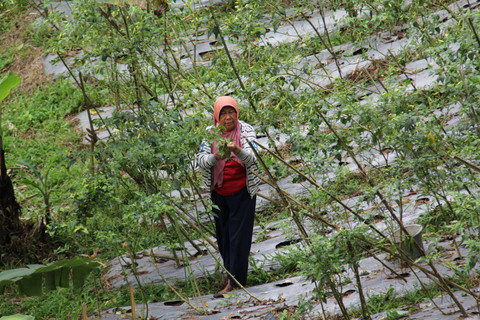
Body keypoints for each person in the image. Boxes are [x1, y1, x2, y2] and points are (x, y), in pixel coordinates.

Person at [197, 96, 260, 294]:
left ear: (237, 113)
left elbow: (254, 158)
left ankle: (235, 283)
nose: (227, 117)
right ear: (216, 116)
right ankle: (231, 276)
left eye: (231, 112)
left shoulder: (246, 131)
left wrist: (238, 150)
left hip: (242, 193)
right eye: (223, 113)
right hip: (219, 195)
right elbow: (200, 161)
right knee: (224, 238)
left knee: (238, 238)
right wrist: (216, 156)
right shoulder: (210, 133)